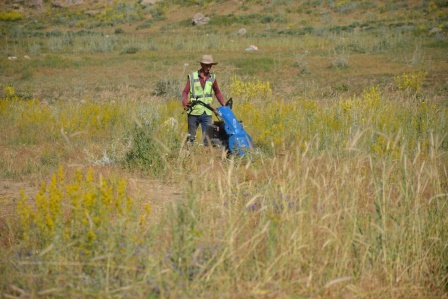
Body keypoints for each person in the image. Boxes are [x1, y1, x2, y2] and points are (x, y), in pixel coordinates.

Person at [182, 54, 226, 146]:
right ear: (201, 65)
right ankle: (187, 156)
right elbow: (185, 92)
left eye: (210, 66)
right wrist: (185, 102)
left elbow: (217, 92)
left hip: (207, 112)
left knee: (208, 139)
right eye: (207, 65)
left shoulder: (212, 78)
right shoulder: (193, 77)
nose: (209, 68)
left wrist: (224, 104)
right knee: (191, 137)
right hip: (194, 111)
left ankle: (207, 157)